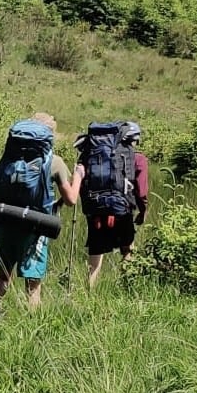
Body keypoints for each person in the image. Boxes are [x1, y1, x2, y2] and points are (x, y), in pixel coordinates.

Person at [0, 112, 79, 313]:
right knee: (33, 283)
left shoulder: (7, 159)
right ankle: (32, 323)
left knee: (3, 277)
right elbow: (71, 199)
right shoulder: (54, 162)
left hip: (5, 223)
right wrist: (79, 176)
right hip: (34, 228)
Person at [81, 120, 150, 288]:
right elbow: (141, 191)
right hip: (122, 210)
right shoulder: (138, 158)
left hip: (96, 209)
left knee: (96, 255)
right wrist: (142, 210)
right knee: (127, 250)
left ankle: (88, 293)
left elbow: (81, 181)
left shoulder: (91, 154)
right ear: (133, 139)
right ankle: (126, 287)